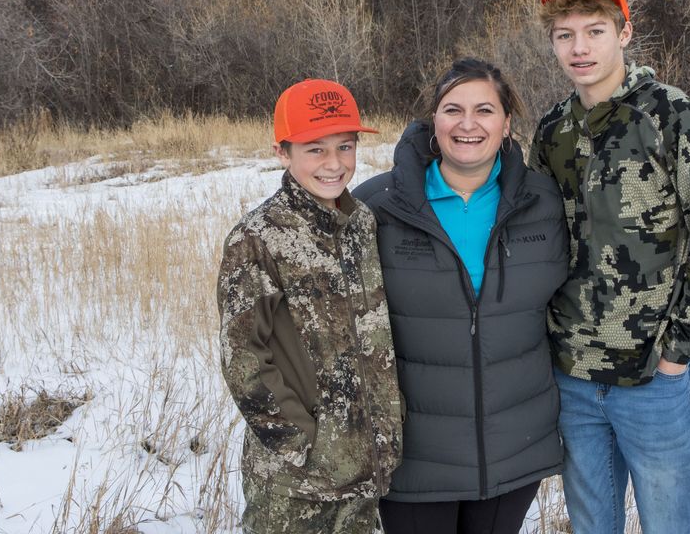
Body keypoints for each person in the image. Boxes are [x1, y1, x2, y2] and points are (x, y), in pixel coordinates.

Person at [529, 0, 690, 534]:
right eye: (565, 35)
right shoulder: (553, 130)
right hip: (573, 375)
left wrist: (678, 349)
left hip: (651, 376)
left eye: (594, 31)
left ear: (624, 33)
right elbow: (537, 240)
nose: (579, 48)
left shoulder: (670, 114)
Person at [354, 58, 568, 534]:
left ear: (507, 122)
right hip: (414, 460)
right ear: (434, 121)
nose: (468, 124)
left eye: (485, 110)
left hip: (513, 449)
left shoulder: (545, 203)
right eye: (453, 110)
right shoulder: (376, 207)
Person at [217, 79, 402, 534]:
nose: (334, 164)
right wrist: (302, 443)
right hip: (295, 486)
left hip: (364, 476)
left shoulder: (362, 224)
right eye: (314, 149)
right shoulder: (258, 238)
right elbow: (241, 356)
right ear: (283, 152)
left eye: (345, 146)